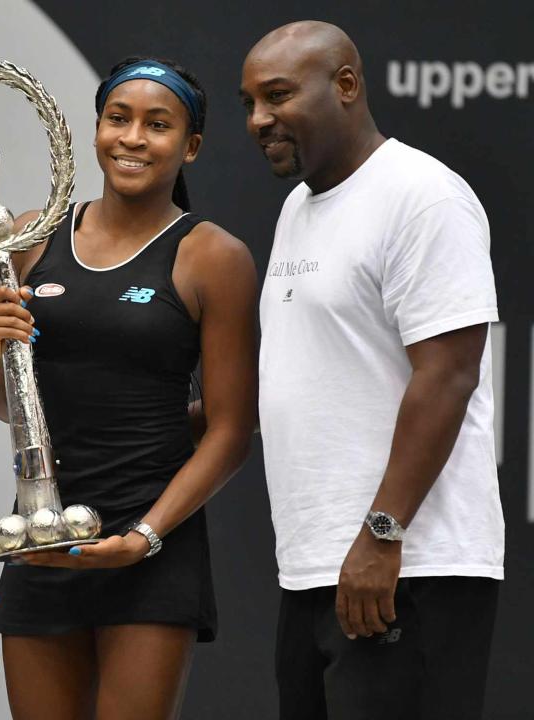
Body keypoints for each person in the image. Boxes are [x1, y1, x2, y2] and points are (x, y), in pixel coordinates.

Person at [0, 58, 257, 719]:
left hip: (149, 546)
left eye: (158, 125)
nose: (133, 138)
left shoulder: (212, 255)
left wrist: (146, 535)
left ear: (189, 146)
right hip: (44, 539)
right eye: (119, 118)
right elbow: (3, 402)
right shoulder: (32, 234)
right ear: (97, 128)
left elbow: (230, 431)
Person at [239, 21, 504, 720]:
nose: (259, 119)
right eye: (249, 104)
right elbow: (317, 381)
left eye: (277, 96)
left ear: (347, 86)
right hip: (316, 568)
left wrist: (381, 536)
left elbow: (449, 375)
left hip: (408, 568)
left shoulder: (423, 196)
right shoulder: (299, 207)